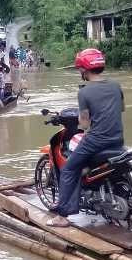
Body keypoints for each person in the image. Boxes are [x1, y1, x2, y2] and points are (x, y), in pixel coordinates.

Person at [48, 49, 124, 227]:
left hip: (96, 141)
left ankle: (62, 217)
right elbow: (120, 110)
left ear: (84, 70)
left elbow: (83, 124)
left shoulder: (84, 92)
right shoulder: (116, 86)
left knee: (68, 169)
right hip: (118, 139)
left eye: (79, 69)